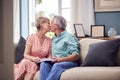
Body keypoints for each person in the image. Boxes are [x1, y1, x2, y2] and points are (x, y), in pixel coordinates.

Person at [40, 16, 80, 80]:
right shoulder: (53, 38)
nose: (50, 25)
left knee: (57, 66)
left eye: (51, 23)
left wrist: (61, 59)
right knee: (44, 64)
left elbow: (76, 56)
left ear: (56, 26)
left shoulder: (69, 37)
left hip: (69, 62)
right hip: (56, 61)